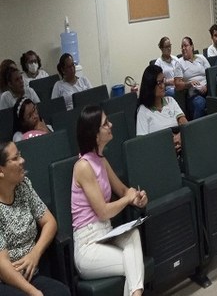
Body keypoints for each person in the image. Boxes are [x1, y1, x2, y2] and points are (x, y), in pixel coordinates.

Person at [71, 106, 148, 296]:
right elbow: (103, 212)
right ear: (95, 135)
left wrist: (137, 198)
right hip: (88, 246)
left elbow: (123, 190)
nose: (111, 125)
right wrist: (127, 199)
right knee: (133, 264)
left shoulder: (101, 160)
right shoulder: (83, 166)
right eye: (105, 124)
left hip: (105, 235)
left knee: (133, 236)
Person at [0, 141, 70, 296]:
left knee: (61, 292)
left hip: (31, 273)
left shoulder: (24, 186)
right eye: (16, 158)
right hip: (6, 279)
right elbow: (2, 264)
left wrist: (35, 253)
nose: (22, 160)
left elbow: (49, 222)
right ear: (1, 171)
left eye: (20, 155)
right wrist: (33, 292)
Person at [136, 65, 187, 154]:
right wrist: (168, 142)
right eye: (159, 82)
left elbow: (185, 123)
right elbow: (142, 143)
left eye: (163, 81)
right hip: (160, 153)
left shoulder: (170, 101)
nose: (163, 86)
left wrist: (179, 137)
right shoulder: (143, 111)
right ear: (150, 85)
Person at [176, 36, 211, 120]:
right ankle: (195, 130)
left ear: (192, 47)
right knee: (200, 103)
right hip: (194, 95)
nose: (183, 48)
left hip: (208, 90)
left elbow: (210, 74)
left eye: (186, 45)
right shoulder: (179, 63)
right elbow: (177, 84)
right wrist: (189, 84)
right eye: (182, 46)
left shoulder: (201, 58)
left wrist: (206, 86)